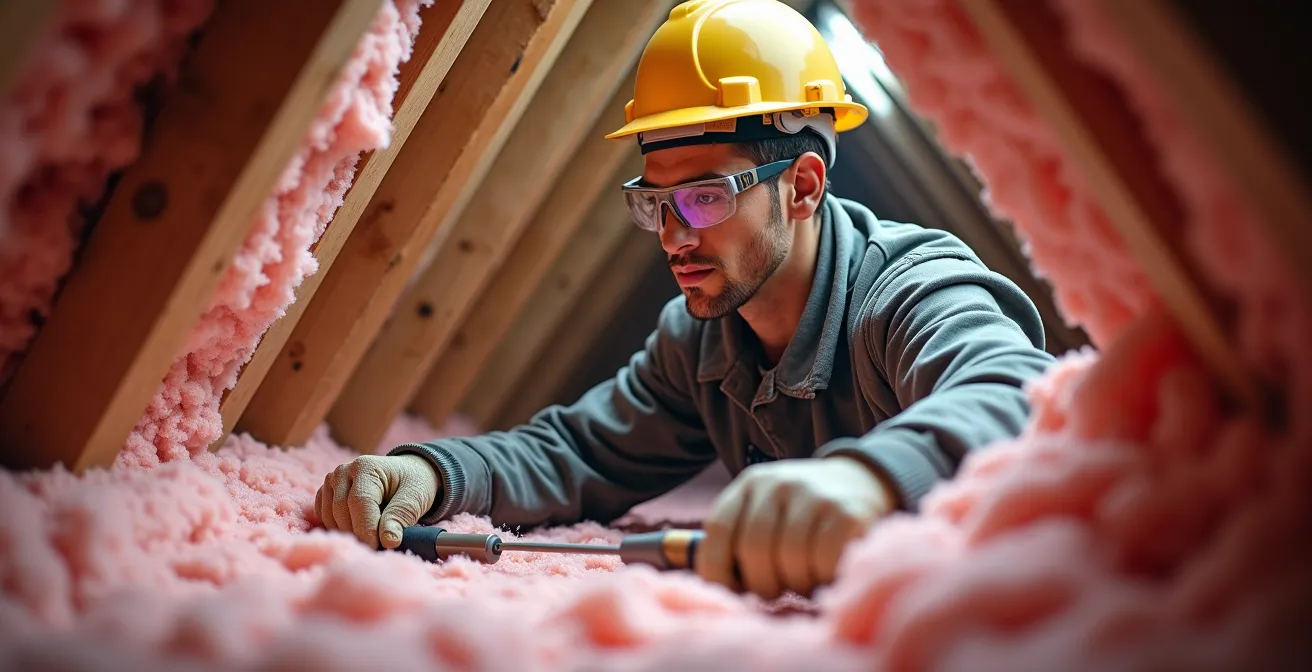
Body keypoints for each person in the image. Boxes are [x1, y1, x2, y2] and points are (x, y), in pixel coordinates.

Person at [314, 0, 1055, 600]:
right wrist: (435, 473)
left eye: (704, 197)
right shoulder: (702, 342)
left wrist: (870, 479)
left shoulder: (910, 291)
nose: (672, 237)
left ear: (802, 188)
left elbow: (1019, 396)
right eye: (656, 202)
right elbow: (577, 452)